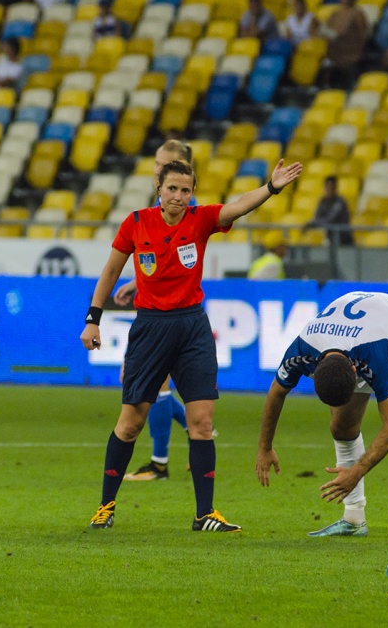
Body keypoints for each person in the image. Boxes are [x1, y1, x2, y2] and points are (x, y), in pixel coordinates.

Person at [80, 157, 304, 532]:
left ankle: (205, 514)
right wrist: (93, 319)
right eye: (172, 188)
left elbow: (237, 206)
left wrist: (271, 188)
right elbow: (112, 270)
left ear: (192, 193)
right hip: (150, 328)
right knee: (131, 423)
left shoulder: (200, 220)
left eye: (186, 190)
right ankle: (105, 507)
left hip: (192, 329)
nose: (179, 196)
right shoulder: (136, 223)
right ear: (159, 189)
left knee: (201, 422)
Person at [254, 291, 388, 540]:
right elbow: (276, 393)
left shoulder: (372, 354)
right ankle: (354, 518)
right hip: (356, 333)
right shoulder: (301, 349)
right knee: (341, 427)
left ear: (354, 371)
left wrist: (357, 471)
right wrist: (265, 448)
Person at [119, 140, 196, 482]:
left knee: (154, 387)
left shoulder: (184, 207)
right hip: (156, 308)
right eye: (156, 163)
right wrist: (137, 282)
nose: (158, 169)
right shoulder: (158, 205)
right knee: (147, 385)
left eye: (166, 164)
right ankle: (196, 428)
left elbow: (175, 260)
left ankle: (159, 463)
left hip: (174, 311)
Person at [320, 0, 368, 88]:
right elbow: (325, 29)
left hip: (350, 50)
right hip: (334, 48)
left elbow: (363, 34)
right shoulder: (335, 13)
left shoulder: (357, 13)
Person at [304, 175, 353, 246]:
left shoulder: (340, 202)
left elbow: (329, 220)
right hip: (331, 240)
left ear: (335, 188)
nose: (329, 190)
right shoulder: (323, 201)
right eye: (328, 187)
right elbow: (317, 217)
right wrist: (312, 223)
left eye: (332, 187)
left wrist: (311, 224)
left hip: (344, 241)